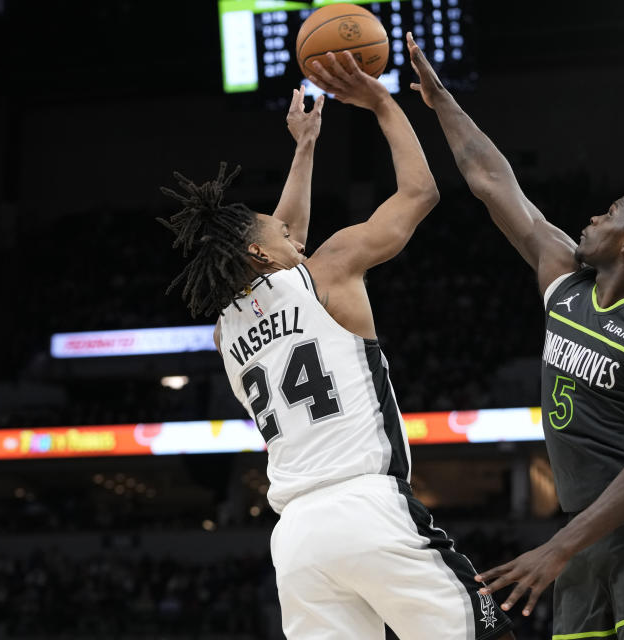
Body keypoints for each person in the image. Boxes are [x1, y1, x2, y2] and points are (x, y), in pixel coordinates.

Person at [158, 56, 513, 640]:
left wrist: (306, 148)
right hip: (366, 506)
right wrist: (382, 104)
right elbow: (420, 192)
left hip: (297, 540)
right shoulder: (333, 267)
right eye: (276, 229)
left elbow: (283, 241)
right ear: (263, 255)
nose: (291, 229)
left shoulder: (226, 330)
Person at [404, 33, 624, 640]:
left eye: (609, 214)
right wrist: (441, 100)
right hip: (587, 536)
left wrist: (556, 548)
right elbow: (492, 182)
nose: (592, 218)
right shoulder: (564, 279)